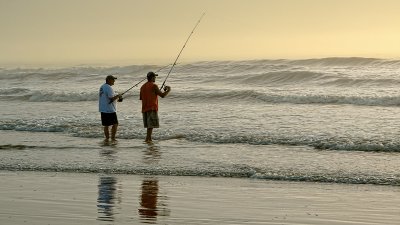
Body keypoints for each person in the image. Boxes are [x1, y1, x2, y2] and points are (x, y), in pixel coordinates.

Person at [140, 71, 171, 142]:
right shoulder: (154, 85)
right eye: (154, 77)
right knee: (151, 125)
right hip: (152, 107)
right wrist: (169, 90)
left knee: (149, 126)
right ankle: (148, 139)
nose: (155, 78)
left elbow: (142, 98)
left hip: (144, 108)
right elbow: (162, 95)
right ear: (152, 77)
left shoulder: (142, 87)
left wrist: (155, 92)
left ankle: (148, 138)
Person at [99, 75, 122, 142]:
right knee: (115, 124)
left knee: (106, 125)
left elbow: (110, 96)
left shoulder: (102, 87)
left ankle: (107, 139)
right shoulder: (108, 87)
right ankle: (113, 138)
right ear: (109, 80)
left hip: (103, 109)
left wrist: (117, 96)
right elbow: (111, 98)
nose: (114, 81)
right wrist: (118, 96)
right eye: (113, 79)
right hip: (109, 110)